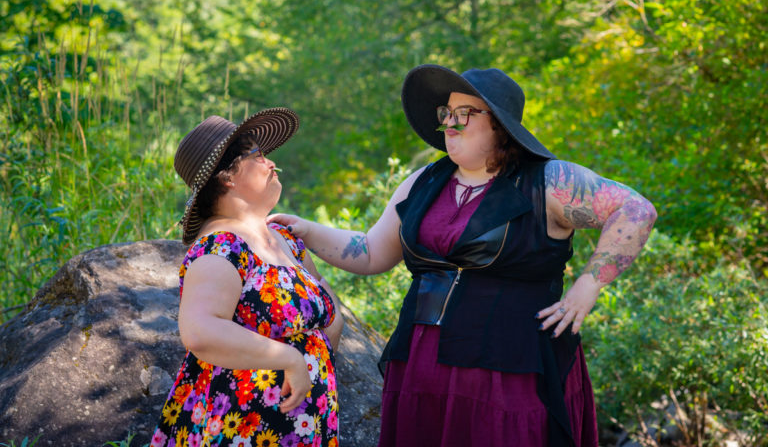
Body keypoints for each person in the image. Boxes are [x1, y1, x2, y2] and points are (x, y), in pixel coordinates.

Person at [270, 65, 657, 447]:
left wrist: (587, 286)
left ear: (500, 126)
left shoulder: (548, 181)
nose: (450, 125)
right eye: (446, 115)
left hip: (512, 369)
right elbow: (371, 252)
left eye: (464, 115)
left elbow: (637, 211)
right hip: (422, 364)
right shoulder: (421, 183)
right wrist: (308, 230)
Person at [150, 108, 343, 447]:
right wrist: (289, 358)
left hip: (304, 418)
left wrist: (323, 346)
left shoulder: (286, 239)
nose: (271, 164)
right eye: (258, 155)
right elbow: (200, 331)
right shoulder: (220, 247)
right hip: (243, 423)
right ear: (227, 176)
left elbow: (324, 303)